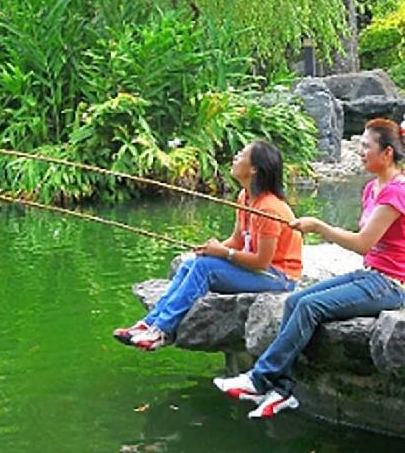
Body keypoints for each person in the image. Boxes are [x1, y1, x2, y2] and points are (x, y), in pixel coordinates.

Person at [216, 117, 405, 418]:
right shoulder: (372, 188)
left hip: (397, 285)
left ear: (387, 153)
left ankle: (259, 379)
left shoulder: (399, 191)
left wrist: (318, 226)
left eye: (366, 146)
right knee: (296, 300)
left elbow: (363, 243)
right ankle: (283, 390)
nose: (360, 151)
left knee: (310, 307)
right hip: (372, 276)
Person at [114, 140, 302, 351]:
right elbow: (238, 240)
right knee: (193, 263)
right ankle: (149, 323)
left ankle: (162, 331)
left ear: (254, 169)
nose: (235, 157)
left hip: (280, 277)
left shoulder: (269, 209)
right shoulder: (245, 197)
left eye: (241, 156)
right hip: (262, 270)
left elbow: (261, 261)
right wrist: (209, 250)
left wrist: (223, 253)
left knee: (205, 268)